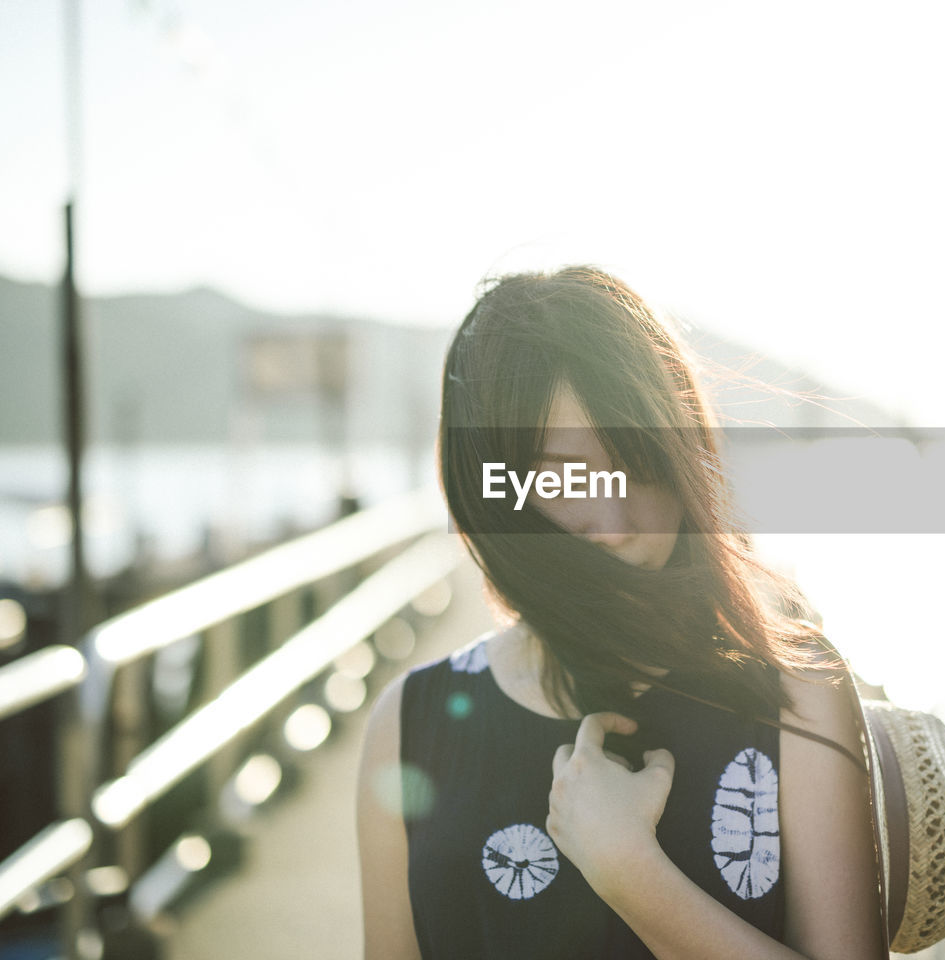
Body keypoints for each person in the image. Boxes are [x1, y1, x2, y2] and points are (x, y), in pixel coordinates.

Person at [356, 266, 887, 959]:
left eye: (636, 461)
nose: (612, 518)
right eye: (563, 476)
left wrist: (633, 876)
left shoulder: (798, 694)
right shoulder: (411, 723)